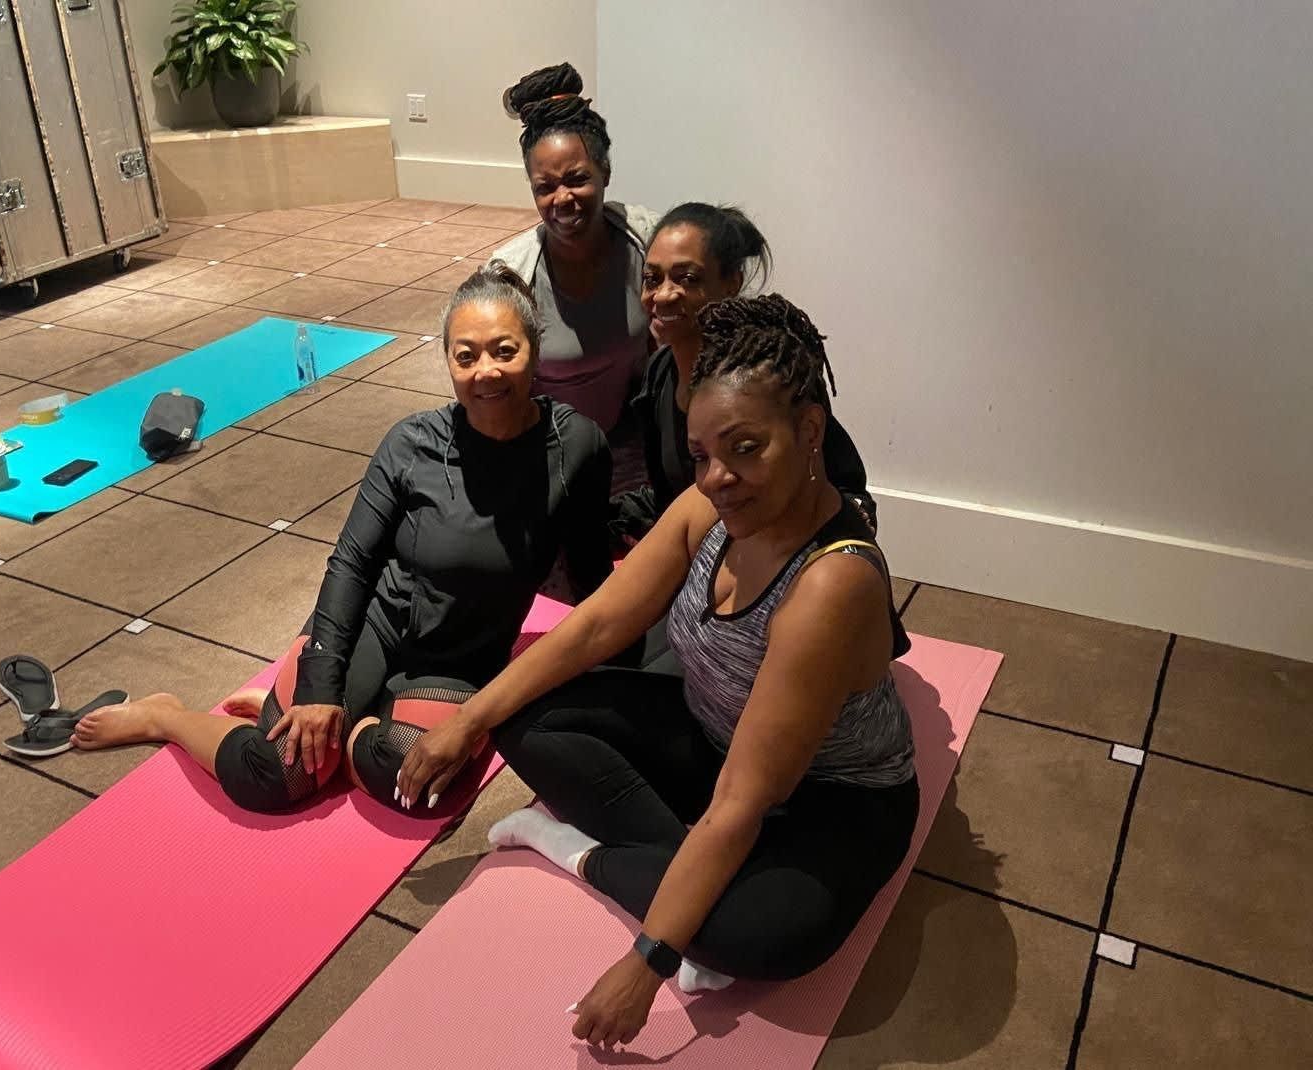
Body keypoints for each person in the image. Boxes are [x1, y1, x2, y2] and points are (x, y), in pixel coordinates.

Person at [397, 295, 917, 1050]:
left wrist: (650, 959)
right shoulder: (710, 508)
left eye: (746, 448)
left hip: (832, 800)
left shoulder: (832, 584)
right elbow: (600, 622)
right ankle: (691, 883)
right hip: (715, 742)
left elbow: (746, 795)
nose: (719, 477)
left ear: (808, 432)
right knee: (521, 713)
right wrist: (466, 720)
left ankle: (572, 849)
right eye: (703, 454)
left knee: (756, 938)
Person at [73, 264, 613, 815]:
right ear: (448, 360)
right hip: (374, 626)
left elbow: (597, 583)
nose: (486, 373)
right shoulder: (412, 443)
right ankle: (168, 715)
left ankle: (342, 728)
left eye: (505, 351)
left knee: (420, 788)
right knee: (277, 776)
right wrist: (318, 689)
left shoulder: (576, 447)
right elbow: (353, 564)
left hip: (460, 661)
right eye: (466, 356)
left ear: (536, 347)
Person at [612, 203, 875, 549]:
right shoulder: (659, 376)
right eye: (652, 278)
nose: (662, 294)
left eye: (687, 278)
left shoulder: (767, 378)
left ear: (731, 282)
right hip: (703, 552)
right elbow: (670, 497)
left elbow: (840, 486)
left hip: (779, 553)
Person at [490, 62, 658, 484]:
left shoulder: (646, 242)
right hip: (544, 459)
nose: (562, 198)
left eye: (577, 179)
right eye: (544, 187)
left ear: (606, 174)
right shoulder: (510, 276)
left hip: (631, 449)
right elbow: (492, 396)